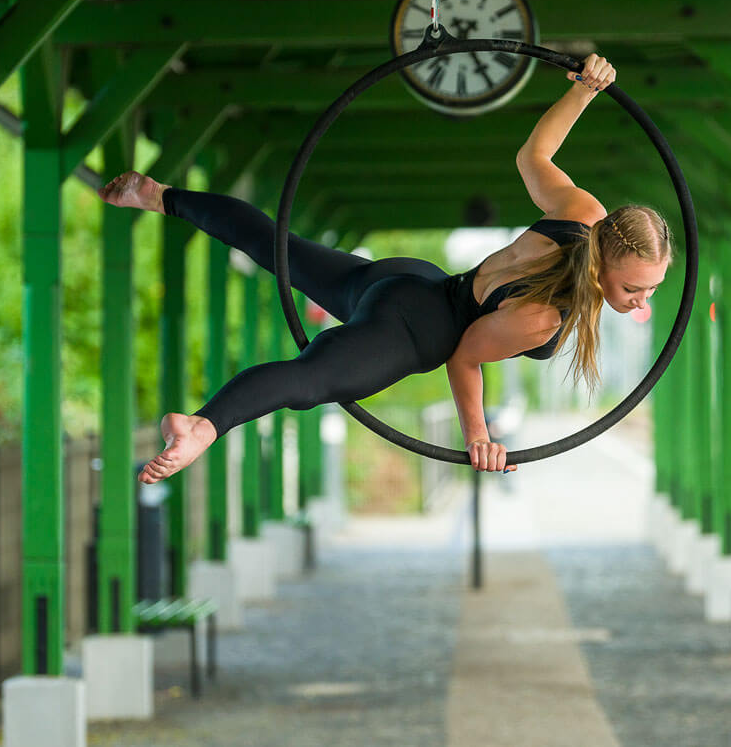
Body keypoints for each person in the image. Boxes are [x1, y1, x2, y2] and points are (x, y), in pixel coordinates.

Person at [98, 54, 673, 483]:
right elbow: (466, 354)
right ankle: (202, 425)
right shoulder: (549, 316)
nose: (641, 303)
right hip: (411, 331)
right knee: (311, 380)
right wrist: (478, 434)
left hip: (408, 278)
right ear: (604, 260)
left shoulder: (585, 212)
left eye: (650, 291)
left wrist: (582, 93)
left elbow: (533, 157)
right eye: (634, 288)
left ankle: (162, 196)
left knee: (277, 246)